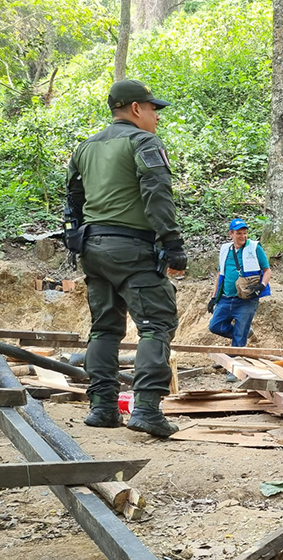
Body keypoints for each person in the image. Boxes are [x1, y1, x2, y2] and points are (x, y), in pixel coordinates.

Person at [64, 79, 186, 438]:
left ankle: (102, 407)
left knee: (104, 328)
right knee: (156, 325)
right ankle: (146, 409)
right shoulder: (143, 141)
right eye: (153, 109)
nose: (156, 118)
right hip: (132, 249)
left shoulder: (85, 147)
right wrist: (172, 241)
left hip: (93, 248)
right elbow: (156, 191)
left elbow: (73, 197)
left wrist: (76, 237)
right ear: (135, 108)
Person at [208, 218, 271, 381]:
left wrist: (262, 286)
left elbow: (267, 270)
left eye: (244, 233)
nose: (242, 236)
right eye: (238, 233)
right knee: (215, 326)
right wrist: (214, 297)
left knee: (239, 335)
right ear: (231, 234)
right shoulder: (225, 250)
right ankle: (242, 335)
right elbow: (220, 274)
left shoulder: (254, 248)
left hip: (247, 299)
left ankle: (234, 370)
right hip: (226, 297)